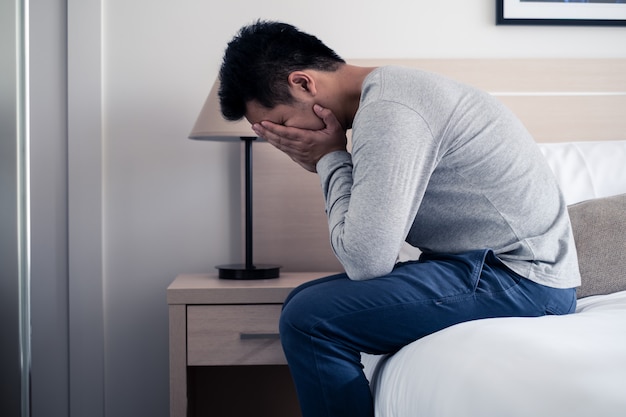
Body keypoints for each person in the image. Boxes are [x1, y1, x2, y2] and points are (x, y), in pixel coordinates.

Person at [217, 20, 581, 417]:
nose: (285, 140)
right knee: (302, 300)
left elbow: (365, 260)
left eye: (283, 124)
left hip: (522, 279)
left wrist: (329, 158)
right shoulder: (391, 95)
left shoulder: (391, 109)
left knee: (309, 319)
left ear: (304, 84)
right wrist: (332, 156)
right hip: (489, 268)